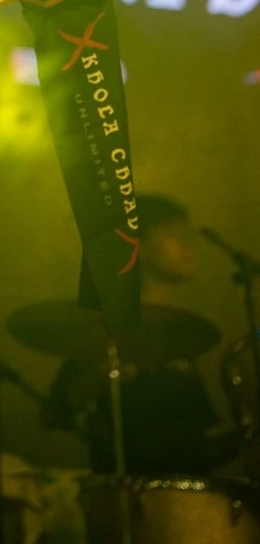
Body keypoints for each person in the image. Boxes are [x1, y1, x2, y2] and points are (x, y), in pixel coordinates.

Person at [46, 194, 239, 475]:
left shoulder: (182, 334)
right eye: (173, 235)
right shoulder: (112, 329)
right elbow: (56, 412)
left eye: (189, 235)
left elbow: (190, 451)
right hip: (130, 496)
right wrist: (94, 382)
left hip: (185, 495)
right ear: (139, 247)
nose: (189, 244)